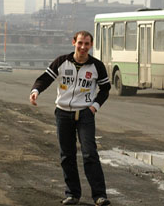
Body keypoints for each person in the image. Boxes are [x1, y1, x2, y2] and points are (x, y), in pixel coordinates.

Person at [29, 31, 112, 206]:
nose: (83, 47)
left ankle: (99, 195)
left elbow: (105, 89)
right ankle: (72, 194)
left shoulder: (97, 66)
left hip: (85, 115)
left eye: (87, 44)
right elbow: (45, 79)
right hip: (63, 113)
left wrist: (94, 107)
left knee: (90, 153)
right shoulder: (61, 62)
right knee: (67, 155)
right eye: (80, 43)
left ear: (91, 45)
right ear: (73, 42)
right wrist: (35, 92)